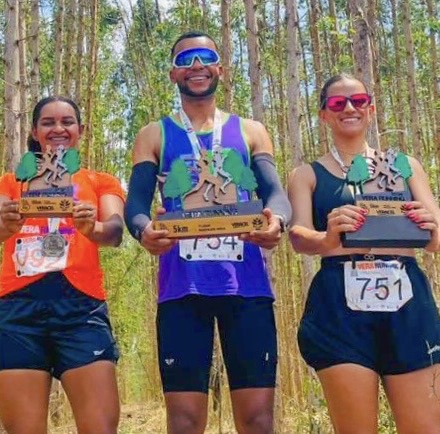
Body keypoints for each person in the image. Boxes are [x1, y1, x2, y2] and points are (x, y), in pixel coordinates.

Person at [125, 31, 291, 434]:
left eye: (205, 57)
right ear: (173, 74)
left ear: (220, 67)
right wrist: (145, 231)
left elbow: (276, 194)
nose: (196, 66)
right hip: (183, 289)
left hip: (246, 287)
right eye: (186, 59)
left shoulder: (251, 131)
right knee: (183, 422)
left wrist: (277, 222)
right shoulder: (154, 134)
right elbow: (136, 206)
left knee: (257, 420)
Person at [288, 73, 440, 433]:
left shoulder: (405, 166)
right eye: (337, 103)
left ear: (371, 110)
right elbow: (298, 234)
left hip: (408, 299)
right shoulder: (307, 174)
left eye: (358, 101)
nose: (349, 108)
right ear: (324, 115)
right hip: (339, 305)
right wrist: (328, 237)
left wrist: (433, 231)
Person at [0, 96, 125, 434]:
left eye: (67, 122)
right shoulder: (11, 183)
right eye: (48, 122)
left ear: (80, 130)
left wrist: (94, 228)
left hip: (81, 311)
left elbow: (114, 231)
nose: (58, 129)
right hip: (18, 312)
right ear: (34, 131)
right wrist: (8, 221)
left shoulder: (99, 181)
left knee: (100, 428)